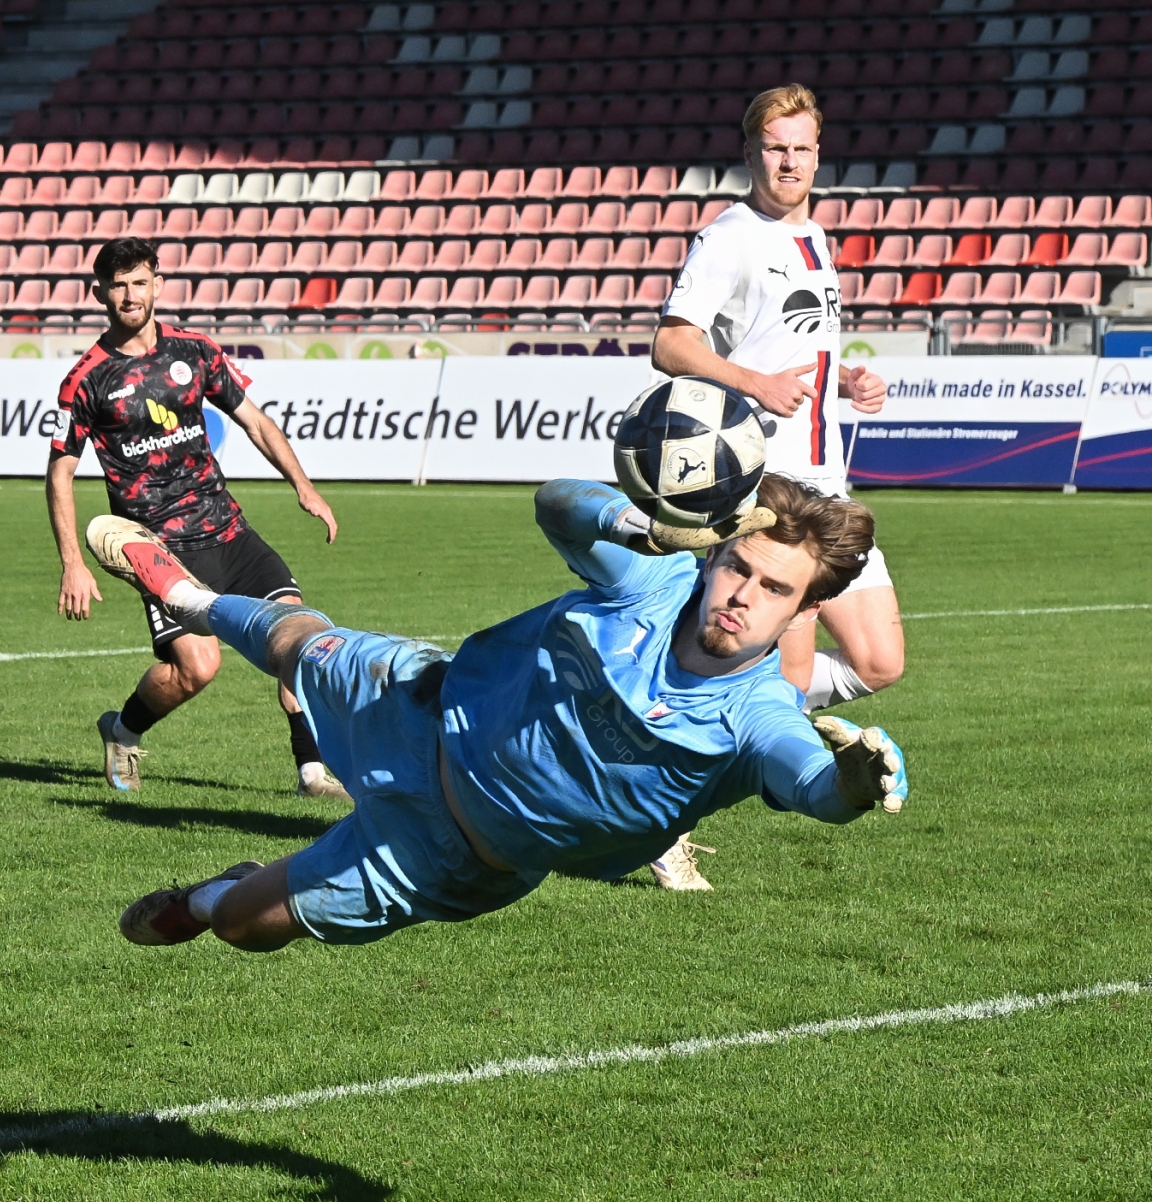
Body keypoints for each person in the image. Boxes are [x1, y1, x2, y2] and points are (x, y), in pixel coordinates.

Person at [91, 475, 908, 953]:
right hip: (416, 707)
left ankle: (209, 897)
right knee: (305, 642)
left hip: (445, 857)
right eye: (738, 567)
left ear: (805, 609)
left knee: (244, 926)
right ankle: (187, 594)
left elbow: (813, 786)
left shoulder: (758, 714)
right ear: (718, 552)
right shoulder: (654, 580)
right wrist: (640, 524)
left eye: (774, 590)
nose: (740, 596)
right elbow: (555, 504)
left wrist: (854, 785)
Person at [650, 82, 898, 891]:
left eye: (801, 148)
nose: (788, 162)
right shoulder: (730, 235)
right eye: (774, 147)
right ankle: (667, 825)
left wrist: (848, 383)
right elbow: (671, 344)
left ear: (818, 155)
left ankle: (769, 701)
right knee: (778, 682)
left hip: (833, 478)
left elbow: (803, 348)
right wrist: (751, 380)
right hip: (773, 488)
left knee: (879, 661)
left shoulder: (818, 238)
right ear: (751, 152)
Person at [48, 235, 347, 798]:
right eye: (118, 285)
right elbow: (60, 471)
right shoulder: (87, 379)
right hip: (163, 553)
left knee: (301, 641)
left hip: (230, 532)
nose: (130, 295)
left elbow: (255, 421)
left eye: (139, 281)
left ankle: (311, 773)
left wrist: (304, 486)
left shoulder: (195, 351)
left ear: (158, 284)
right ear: (99, 293)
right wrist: (72, 562)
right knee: (198, 668)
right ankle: (124, 729)